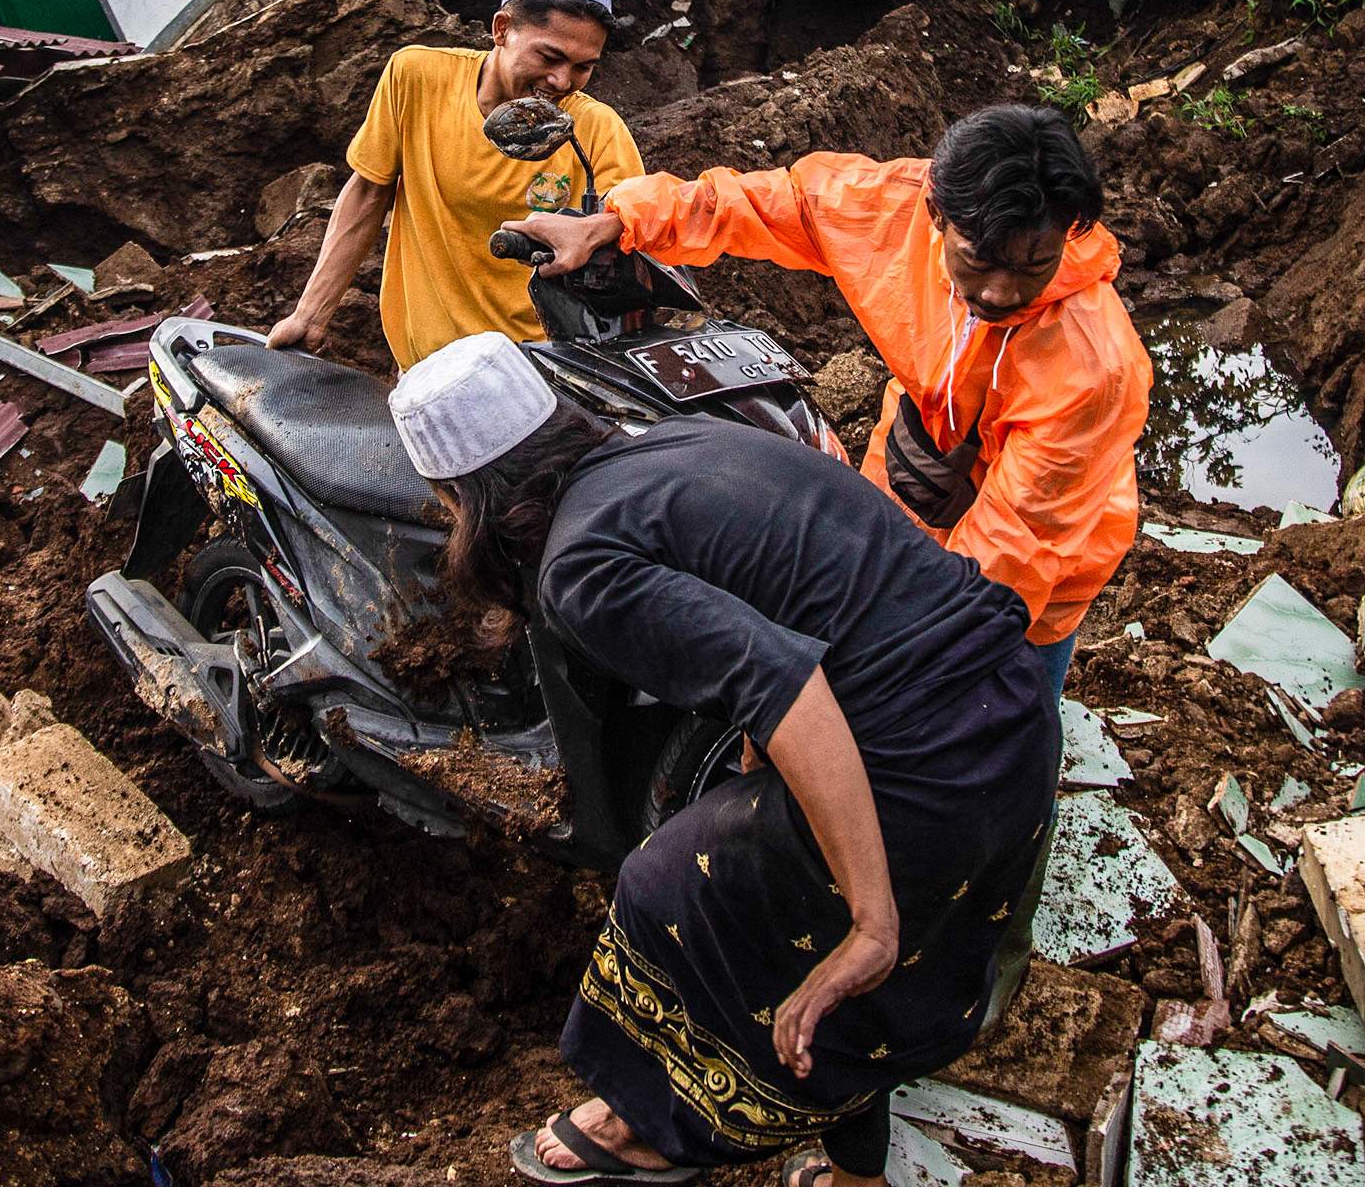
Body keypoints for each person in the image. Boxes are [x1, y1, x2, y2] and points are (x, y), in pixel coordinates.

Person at [388, 334, 1058, 1187]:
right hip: (1011, 713)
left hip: (925, 766)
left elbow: (789, 688)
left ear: (464, 500)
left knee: (663, 886)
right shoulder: (671, 441)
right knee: (790, 903)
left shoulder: (579, 568)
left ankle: (643, 1121)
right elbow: (779, 640)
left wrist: (871, 922)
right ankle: (859, 1175)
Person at [504, 104, 1148, 682]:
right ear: (936, 215)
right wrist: (618, 222)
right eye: (978, 263)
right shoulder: (891, 209)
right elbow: (773, 201)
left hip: (1039, 561)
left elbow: (1015, 549)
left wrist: (910, 655)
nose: (1002, 292)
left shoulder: (1093, 369)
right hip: (915, 469)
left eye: (1033, 267)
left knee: (1000, 702)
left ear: (1068, 235)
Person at [268, 0, 642, 370]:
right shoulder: (416, 79)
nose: (562, 81)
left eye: (584, 67)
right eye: (549, 56)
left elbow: (632, 230)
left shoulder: (595, 129)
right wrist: (310, 315)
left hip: (537, 371)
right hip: (426, 368)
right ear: (502, 29)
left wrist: (599, 229)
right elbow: (368, 194)